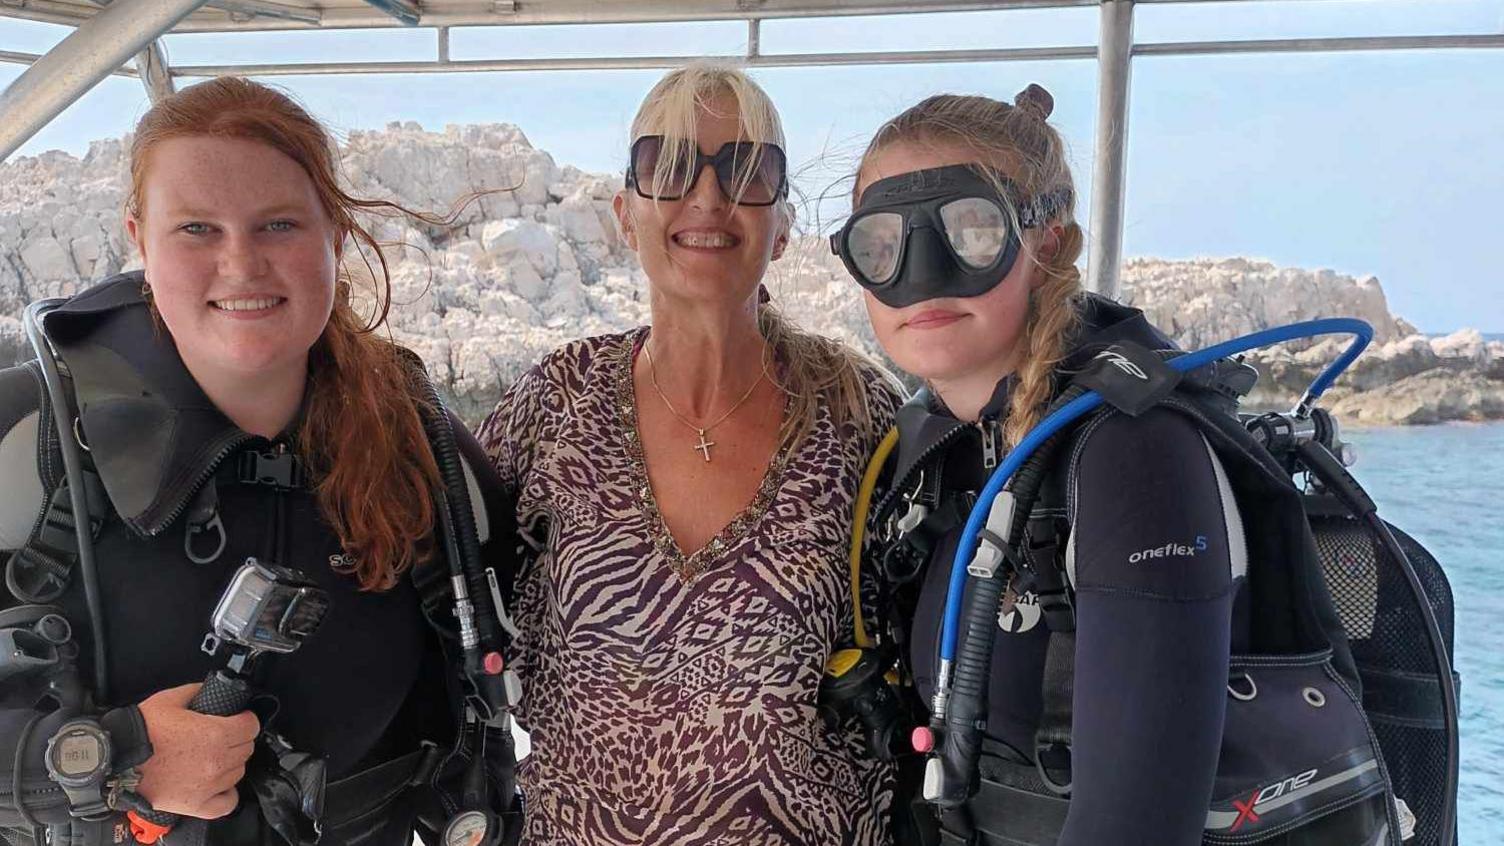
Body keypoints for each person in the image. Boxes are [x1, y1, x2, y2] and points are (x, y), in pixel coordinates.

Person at [0, 77, 516, 846]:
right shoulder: (24, 444)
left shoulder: (427, 456)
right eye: (198, 229)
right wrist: (109, 763)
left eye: (278, 225)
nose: (241, 264)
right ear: (139, 240)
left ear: (334, 236)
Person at [476, 64, 900, 845]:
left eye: (745, 170)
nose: (708, 198)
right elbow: (434, 594)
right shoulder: (556, 402)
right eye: (668, 169)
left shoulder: (858, 414)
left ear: (782, 226)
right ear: (624, 215)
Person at [833, 86, 1243, 845]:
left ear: (1047, 239)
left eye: (972, 229)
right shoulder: (935, 446)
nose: (920, 274)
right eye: (881, 246)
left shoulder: (1133, 451)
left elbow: (1137, 828)